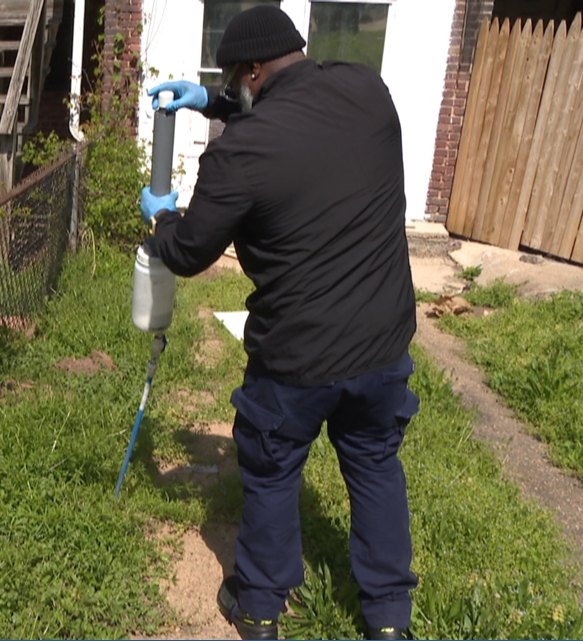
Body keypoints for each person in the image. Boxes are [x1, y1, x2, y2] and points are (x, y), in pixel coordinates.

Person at [140, 6, 419, 641]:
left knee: (270, 472)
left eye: (236, 77)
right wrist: (212, 100)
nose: (235, 87)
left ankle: (261, 610)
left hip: (297, 359)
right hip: (381, 344)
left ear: (255, 70)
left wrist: (162, 218)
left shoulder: (241, 153)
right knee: (376, 466)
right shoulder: (368, 92)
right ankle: (389, 622)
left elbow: (189, 254)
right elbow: (299, 118)